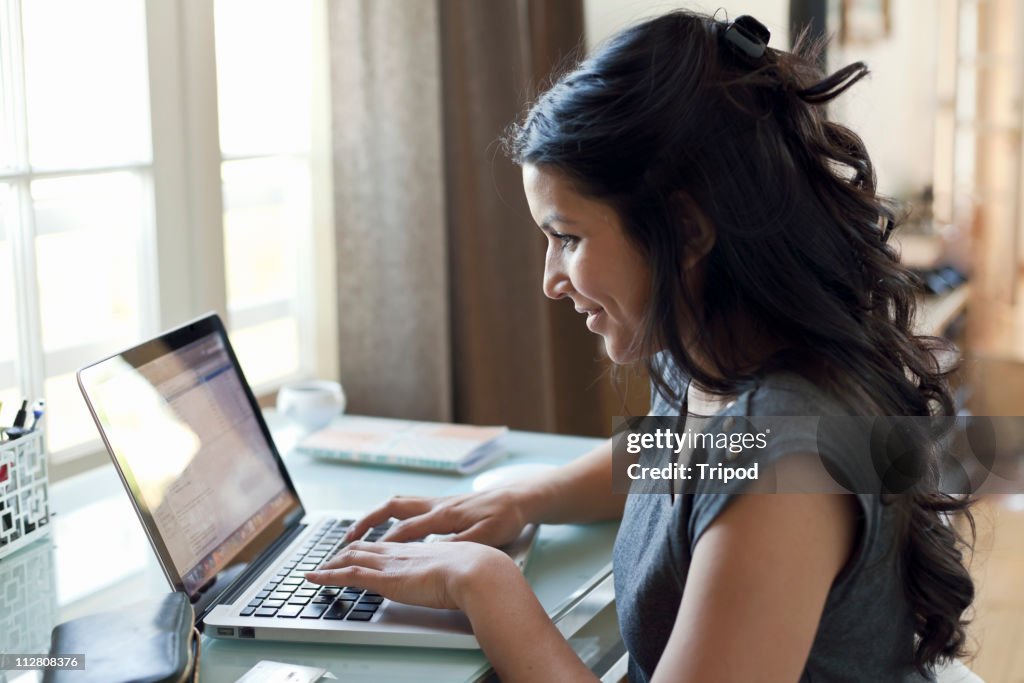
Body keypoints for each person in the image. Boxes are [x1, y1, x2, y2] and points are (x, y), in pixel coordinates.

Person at [306, 10, 975, 682]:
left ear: (685, 228)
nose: (550, 282)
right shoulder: (717, 351)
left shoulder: (790, 468)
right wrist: (525, 498)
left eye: (568, 237)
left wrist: (484, 585)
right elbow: (687, 457)